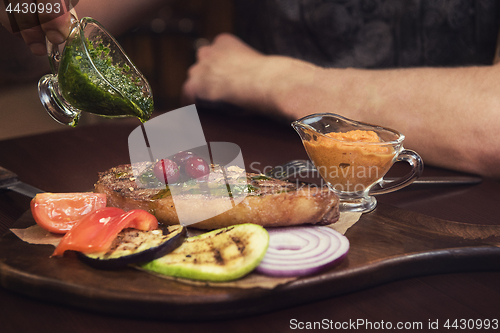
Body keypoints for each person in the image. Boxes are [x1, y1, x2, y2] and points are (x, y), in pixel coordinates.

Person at [2, 0, 500, 178]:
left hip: (437, 188)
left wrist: (267, 79)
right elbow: (64, 18)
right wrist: (35, 7)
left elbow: (491, 126)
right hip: (260, 155)